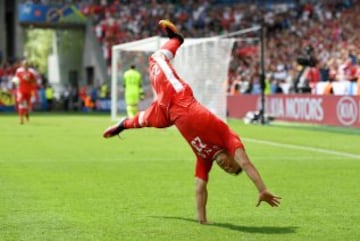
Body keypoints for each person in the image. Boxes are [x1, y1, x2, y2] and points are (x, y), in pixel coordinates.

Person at [103, 20, 281, 224]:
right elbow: (247, 164)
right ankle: (177, 40)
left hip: (167, 114)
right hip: (178, 95)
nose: (226, 166)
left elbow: (200, 188)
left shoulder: (204, 158)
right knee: (156, 58)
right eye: (231, 166)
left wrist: (202, 221)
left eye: (227, 171)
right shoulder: (228, 138)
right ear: (233, 158)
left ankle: (122, 125)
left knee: (145, 120)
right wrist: (262, 189)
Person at [12, 60, 38, 124]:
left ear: (28, 65)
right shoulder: (19, 72)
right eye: (24, 64)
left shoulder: (31, 73)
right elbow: (15, 80)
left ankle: (26, 113)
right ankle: (21, 120)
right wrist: (14, 82)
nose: (25, 65)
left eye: (26, 64)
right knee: (21, 103)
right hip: (21, 90)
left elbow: (34, 82)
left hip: (28, 91)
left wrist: (29, 80)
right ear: (22, 65)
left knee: (27, 106)